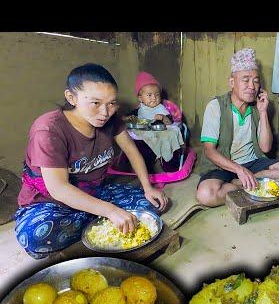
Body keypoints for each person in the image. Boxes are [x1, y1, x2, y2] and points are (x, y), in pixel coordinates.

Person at [15, 63, 168, 259]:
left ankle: (95, 220)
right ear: (71, 98)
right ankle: (99, 219)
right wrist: (111, 211)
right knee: (37, 236)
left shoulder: (112, 120)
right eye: (95, 103)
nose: (105, 112)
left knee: (153, 205)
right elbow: (59, 188)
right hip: (49, 202)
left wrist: (148, 187)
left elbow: (131, 150)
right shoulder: (48, 130)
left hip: (95, 191)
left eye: (112, 103)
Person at [196, 48, 279, 207]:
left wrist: (263, 112)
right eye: (245, 79)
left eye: (256, 81)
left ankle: (239, 185)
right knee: (205, 194)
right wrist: (238, 169)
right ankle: (248, 184)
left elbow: (265, 147)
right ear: (232, 82)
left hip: (252, 163)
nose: (252, 86)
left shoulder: (257, 107)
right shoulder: (216, 106)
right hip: (224, 165)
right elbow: (209, 150)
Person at [121, 71, 186, 172]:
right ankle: (143, 165)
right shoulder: (139, 110)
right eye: (149, 95)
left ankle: (168, 165)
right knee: (136, 142)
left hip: (160, 134)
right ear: (140, 98)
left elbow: (170, 123)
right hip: (145, 137)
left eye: (157, 95)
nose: (154, 98)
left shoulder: (161, 108)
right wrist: (125, 118)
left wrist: (163, 118)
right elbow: (129, 117)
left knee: (168, 138)